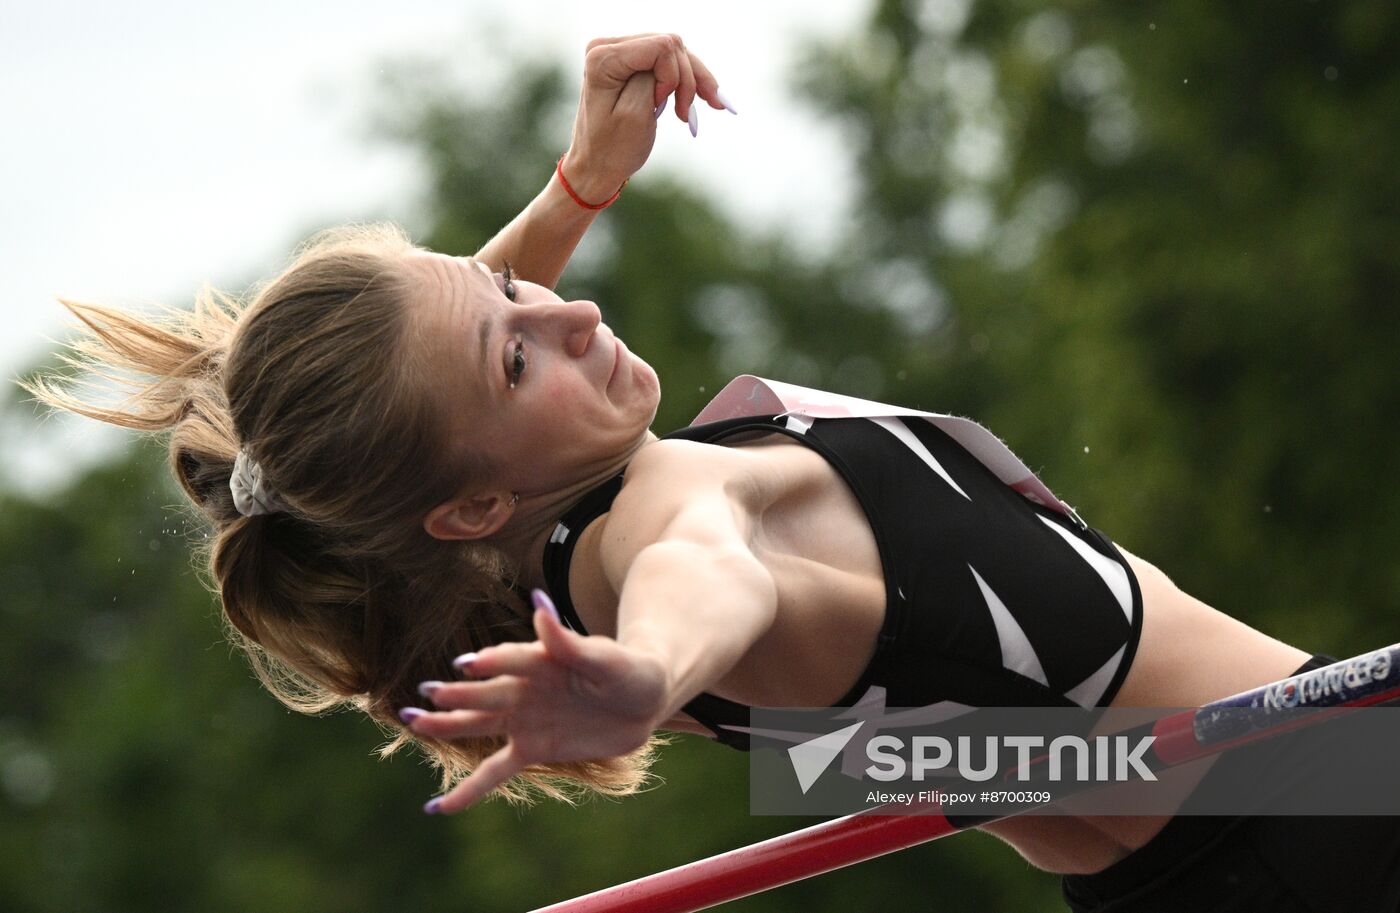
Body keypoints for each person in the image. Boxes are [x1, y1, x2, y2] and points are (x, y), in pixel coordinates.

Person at [25, 33, 1400, 912]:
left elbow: (451, 351)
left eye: (517, 288)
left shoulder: (514, 556)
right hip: (1332, 801)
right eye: (520, 358)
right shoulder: (661, 527)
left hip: (1205, 861)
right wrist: (647, 677)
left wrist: (576, 188)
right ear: (470, 500)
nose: (564, 314)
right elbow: (708, 572)